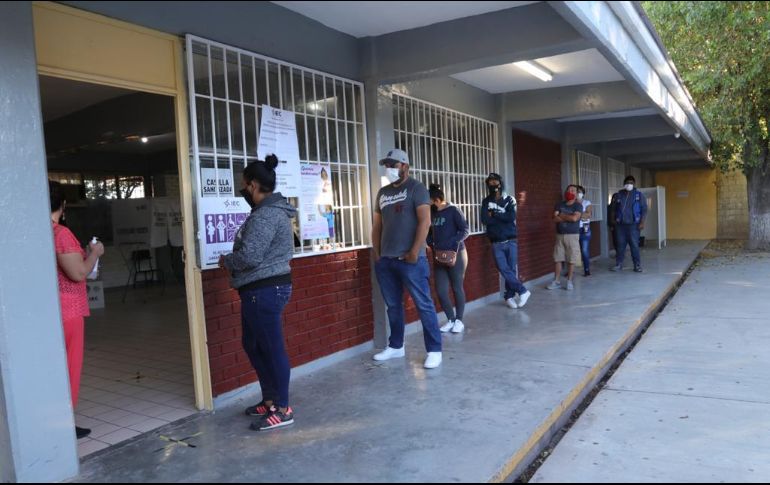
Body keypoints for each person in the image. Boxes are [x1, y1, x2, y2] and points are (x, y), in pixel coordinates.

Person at [219, 154, 298, 431]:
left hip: (265, 290)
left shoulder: (266, 215)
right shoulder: (267, 212)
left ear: (253, 185)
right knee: (253, 345)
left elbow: (250, 256)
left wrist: (227, 261)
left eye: (244, 184)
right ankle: (270, 399)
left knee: (271, 348)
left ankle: (283, 409)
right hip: (259, 289)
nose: (243, 189)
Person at [372, 148, 443, 369]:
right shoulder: (382, 193)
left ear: (405, 166)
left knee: (424, 305)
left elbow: (425, 221)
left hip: (411, 260)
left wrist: (414, 251)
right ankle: (396, 346)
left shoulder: (416, 188)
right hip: (386, 260)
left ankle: (434, 350)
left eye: (393, 165)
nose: (389, 169)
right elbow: (377, 225)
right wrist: (377, 253)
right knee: (393, 306)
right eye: (387, 165)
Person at [49, 181, 105, 440]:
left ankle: (51, 420)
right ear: (63, 204)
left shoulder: (36, 231)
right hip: (68, 311)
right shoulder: (60, 234)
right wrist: (95, 253)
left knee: (53, 368)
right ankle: (64, 425)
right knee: (69, 368)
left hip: (49, 310)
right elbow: (79, 273)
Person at [481, 173, 531, 309]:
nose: (493, 185)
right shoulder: (486, 201)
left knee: (511, 270)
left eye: (495, 182)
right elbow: (485, 220)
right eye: (490, 183)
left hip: (511, 240)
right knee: (503, 269)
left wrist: (494, 214)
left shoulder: (510, 199)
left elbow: (511, 217)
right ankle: (522, 291)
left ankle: (509, 296)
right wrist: (501, 216)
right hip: (496, 241)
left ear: (500, 183)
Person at [426, 183, 469, 334]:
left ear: (436, 199)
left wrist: (451, 243)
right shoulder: (431, 212)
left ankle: (459, 320)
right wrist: (430, 242)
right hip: (439, 256)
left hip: (456, 255)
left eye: (429, 200)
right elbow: (428, 232)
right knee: (441, 290)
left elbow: (465, 230)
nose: (428, 203)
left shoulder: (453, 210)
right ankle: (450, 319)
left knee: (457, 288)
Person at [547, 185, 583, 291]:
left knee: (571, 259)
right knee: (558, 258)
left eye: (573, 190)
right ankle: (556, 281)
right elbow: (554, 218)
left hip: (572, 236)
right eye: (569, 190)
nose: (570, 192)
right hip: (559, 235)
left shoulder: (578, 206)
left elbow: (574, 218)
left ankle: (569, 281)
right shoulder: (559, 204)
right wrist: (567, 217)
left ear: (576, 194)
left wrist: (562, 216)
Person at [610, 176, 648, 273]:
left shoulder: (639, 195)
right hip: (620, 225)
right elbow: (613, 209)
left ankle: (637, 265)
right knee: (620, 245)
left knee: (634, 245)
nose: (629, 184)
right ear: (624, 184)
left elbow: (644, 210)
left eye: (631, 183)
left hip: (634, 225)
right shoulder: (618, 195)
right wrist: (613, 220)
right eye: (627, 182)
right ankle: (618, 264)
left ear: (634, 184)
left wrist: (642, 222)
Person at [576, 186, 594, 277]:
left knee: (584, 250)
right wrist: (582, 215)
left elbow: (588, 215)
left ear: (583, 193)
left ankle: (586, 269)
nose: (578, 193)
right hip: (573, 229)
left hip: (584, 229)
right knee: (572, 250)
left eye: (579, 192)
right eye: (576, 191)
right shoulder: (572, 203)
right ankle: (570, 270)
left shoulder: (587, 202)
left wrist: (575, 215)